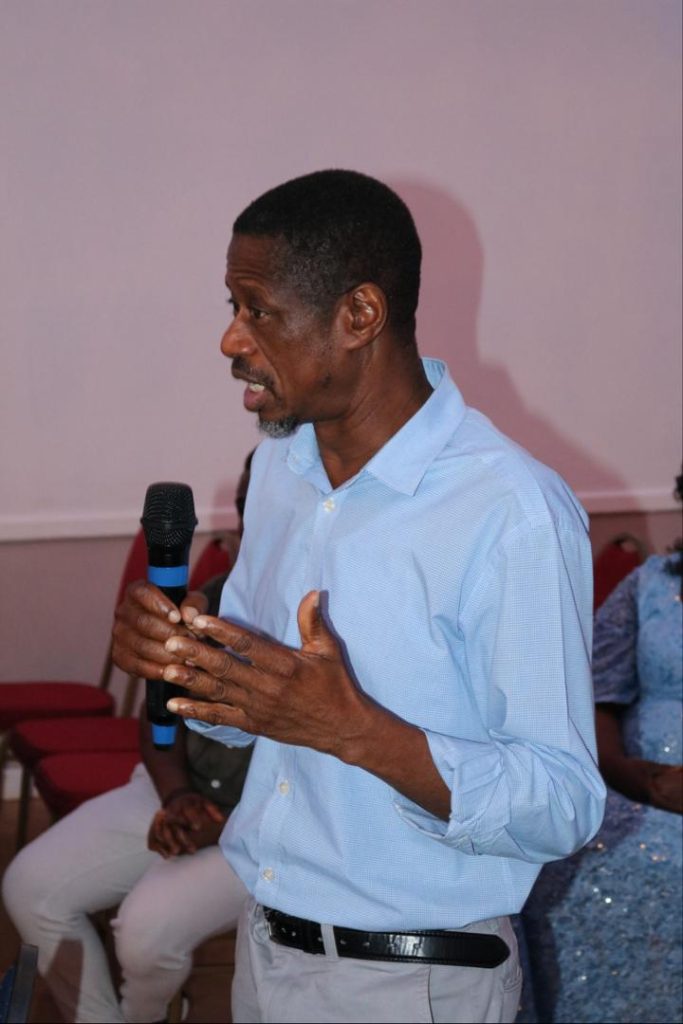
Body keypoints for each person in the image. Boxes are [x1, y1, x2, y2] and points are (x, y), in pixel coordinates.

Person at [111, 169, 606, 1024]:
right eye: (231, 305)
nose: (230, 339)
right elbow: (251, 714)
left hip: (410, 980)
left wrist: (354, 731)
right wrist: (187, 661)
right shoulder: (282, 467)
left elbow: (562, 804)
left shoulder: (508, 509)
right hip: (267, 949)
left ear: (359, 315)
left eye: (258, 310)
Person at [2, 458, 254, 1024]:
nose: (251, 522)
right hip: (179, 792)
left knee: (143, 933)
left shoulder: (326, 618)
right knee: (31, 888)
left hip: (265, 832)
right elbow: (156, 715)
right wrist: (177, 797)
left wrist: (223, 826)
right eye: (245, 505)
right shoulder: (212, 597)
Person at [521, 475, 683, 1023]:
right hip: (635, 786)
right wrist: (637, 778)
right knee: (558, 855)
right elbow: (596, 696)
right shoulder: (649, 584)